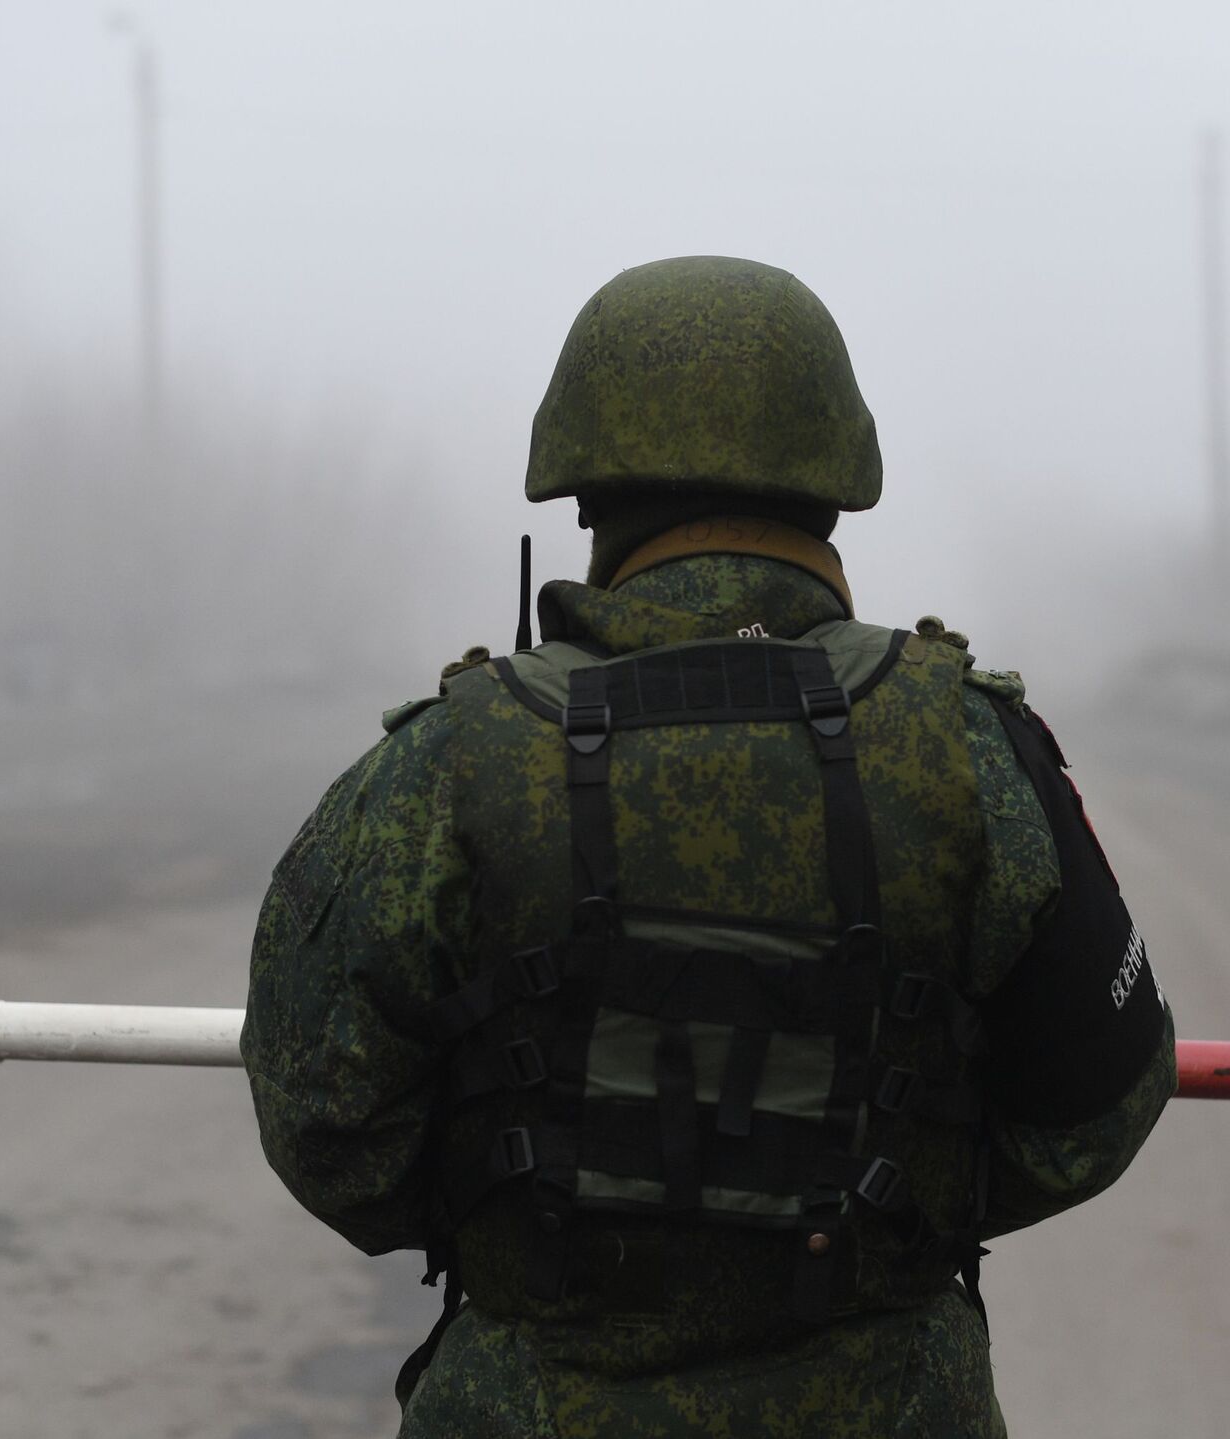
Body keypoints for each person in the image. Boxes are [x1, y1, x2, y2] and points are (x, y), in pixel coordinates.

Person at [242, 255, 1176, 1437]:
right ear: (835, 482)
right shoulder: (969, 747)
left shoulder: (450, 760)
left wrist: (535, 1221)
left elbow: (326, 1127)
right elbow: (1097, 1112)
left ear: (587, 492)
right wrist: (888, 1207)